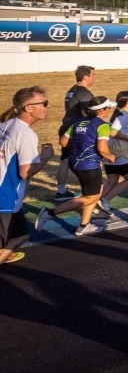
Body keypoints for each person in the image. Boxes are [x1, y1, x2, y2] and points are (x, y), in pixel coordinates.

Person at [38, 96, 116, 236]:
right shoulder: (103, 125)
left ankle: (83, 226)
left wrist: (79, 147)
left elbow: (63, 142)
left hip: (75, 162)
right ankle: (49, 213)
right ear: (101, 110)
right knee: (92, 198)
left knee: (92, 193)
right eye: (108, 108)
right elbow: (102, 149)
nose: (109, 110)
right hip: (89, 165)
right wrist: (111, 157)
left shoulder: (78, 122)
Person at [1, 87, 53, 265]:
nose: (47, 107)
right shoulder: (26, 134)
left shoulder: (6, 125)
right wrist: (45, 157)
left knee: (19, 235)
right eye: (44, 103)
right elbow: (25, 172)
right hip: (6, 199)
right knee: (18, 236)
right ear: (28, 108)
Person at [56, 65, 96, 199]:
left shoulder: (71, 91)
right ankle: (89, 191)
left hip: (66, 127)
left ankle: (61, 191)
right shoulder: (84, 94)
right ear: (85, 77)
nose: (94, 78)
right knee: (85, 159)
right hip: (76, 130)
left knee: (65, 159)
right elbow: (87, 114)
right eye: (93, 75)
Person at [98, 91, 128, 213]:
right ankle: (105, 200)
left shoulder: (120, 114)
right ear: (127, 101)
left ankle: (95, 204)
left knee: (112, 181)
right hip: (118, 154)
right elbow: (112, 132)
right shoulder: (122, 116)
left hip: (111, 153)